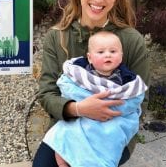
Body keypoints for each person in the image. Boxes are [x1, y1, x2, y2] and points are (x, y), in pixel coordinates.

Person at [32, 0, 150, 167]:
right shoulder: (57, 37)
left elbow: (142, 97)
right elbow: (47, 94)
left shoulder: (132, 40)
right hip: (67, 125)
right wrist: (79, 109)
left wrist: (111, 120)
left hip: (112, 130)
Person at [43, 31, 147, 167]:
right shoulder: (81, 73)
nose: (107, 54)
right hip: (79, 116)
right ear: (90, 58)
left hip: (111, 120)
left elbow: (134, 98)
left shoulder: (125, 79)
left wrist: (112, 108)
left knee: (109, 138)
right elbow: (67, 87)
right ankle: (64, 156)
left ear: (121, 57)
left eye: (113, 51)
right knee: (66, 134)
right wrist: (79, 107)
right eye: (101, 52)